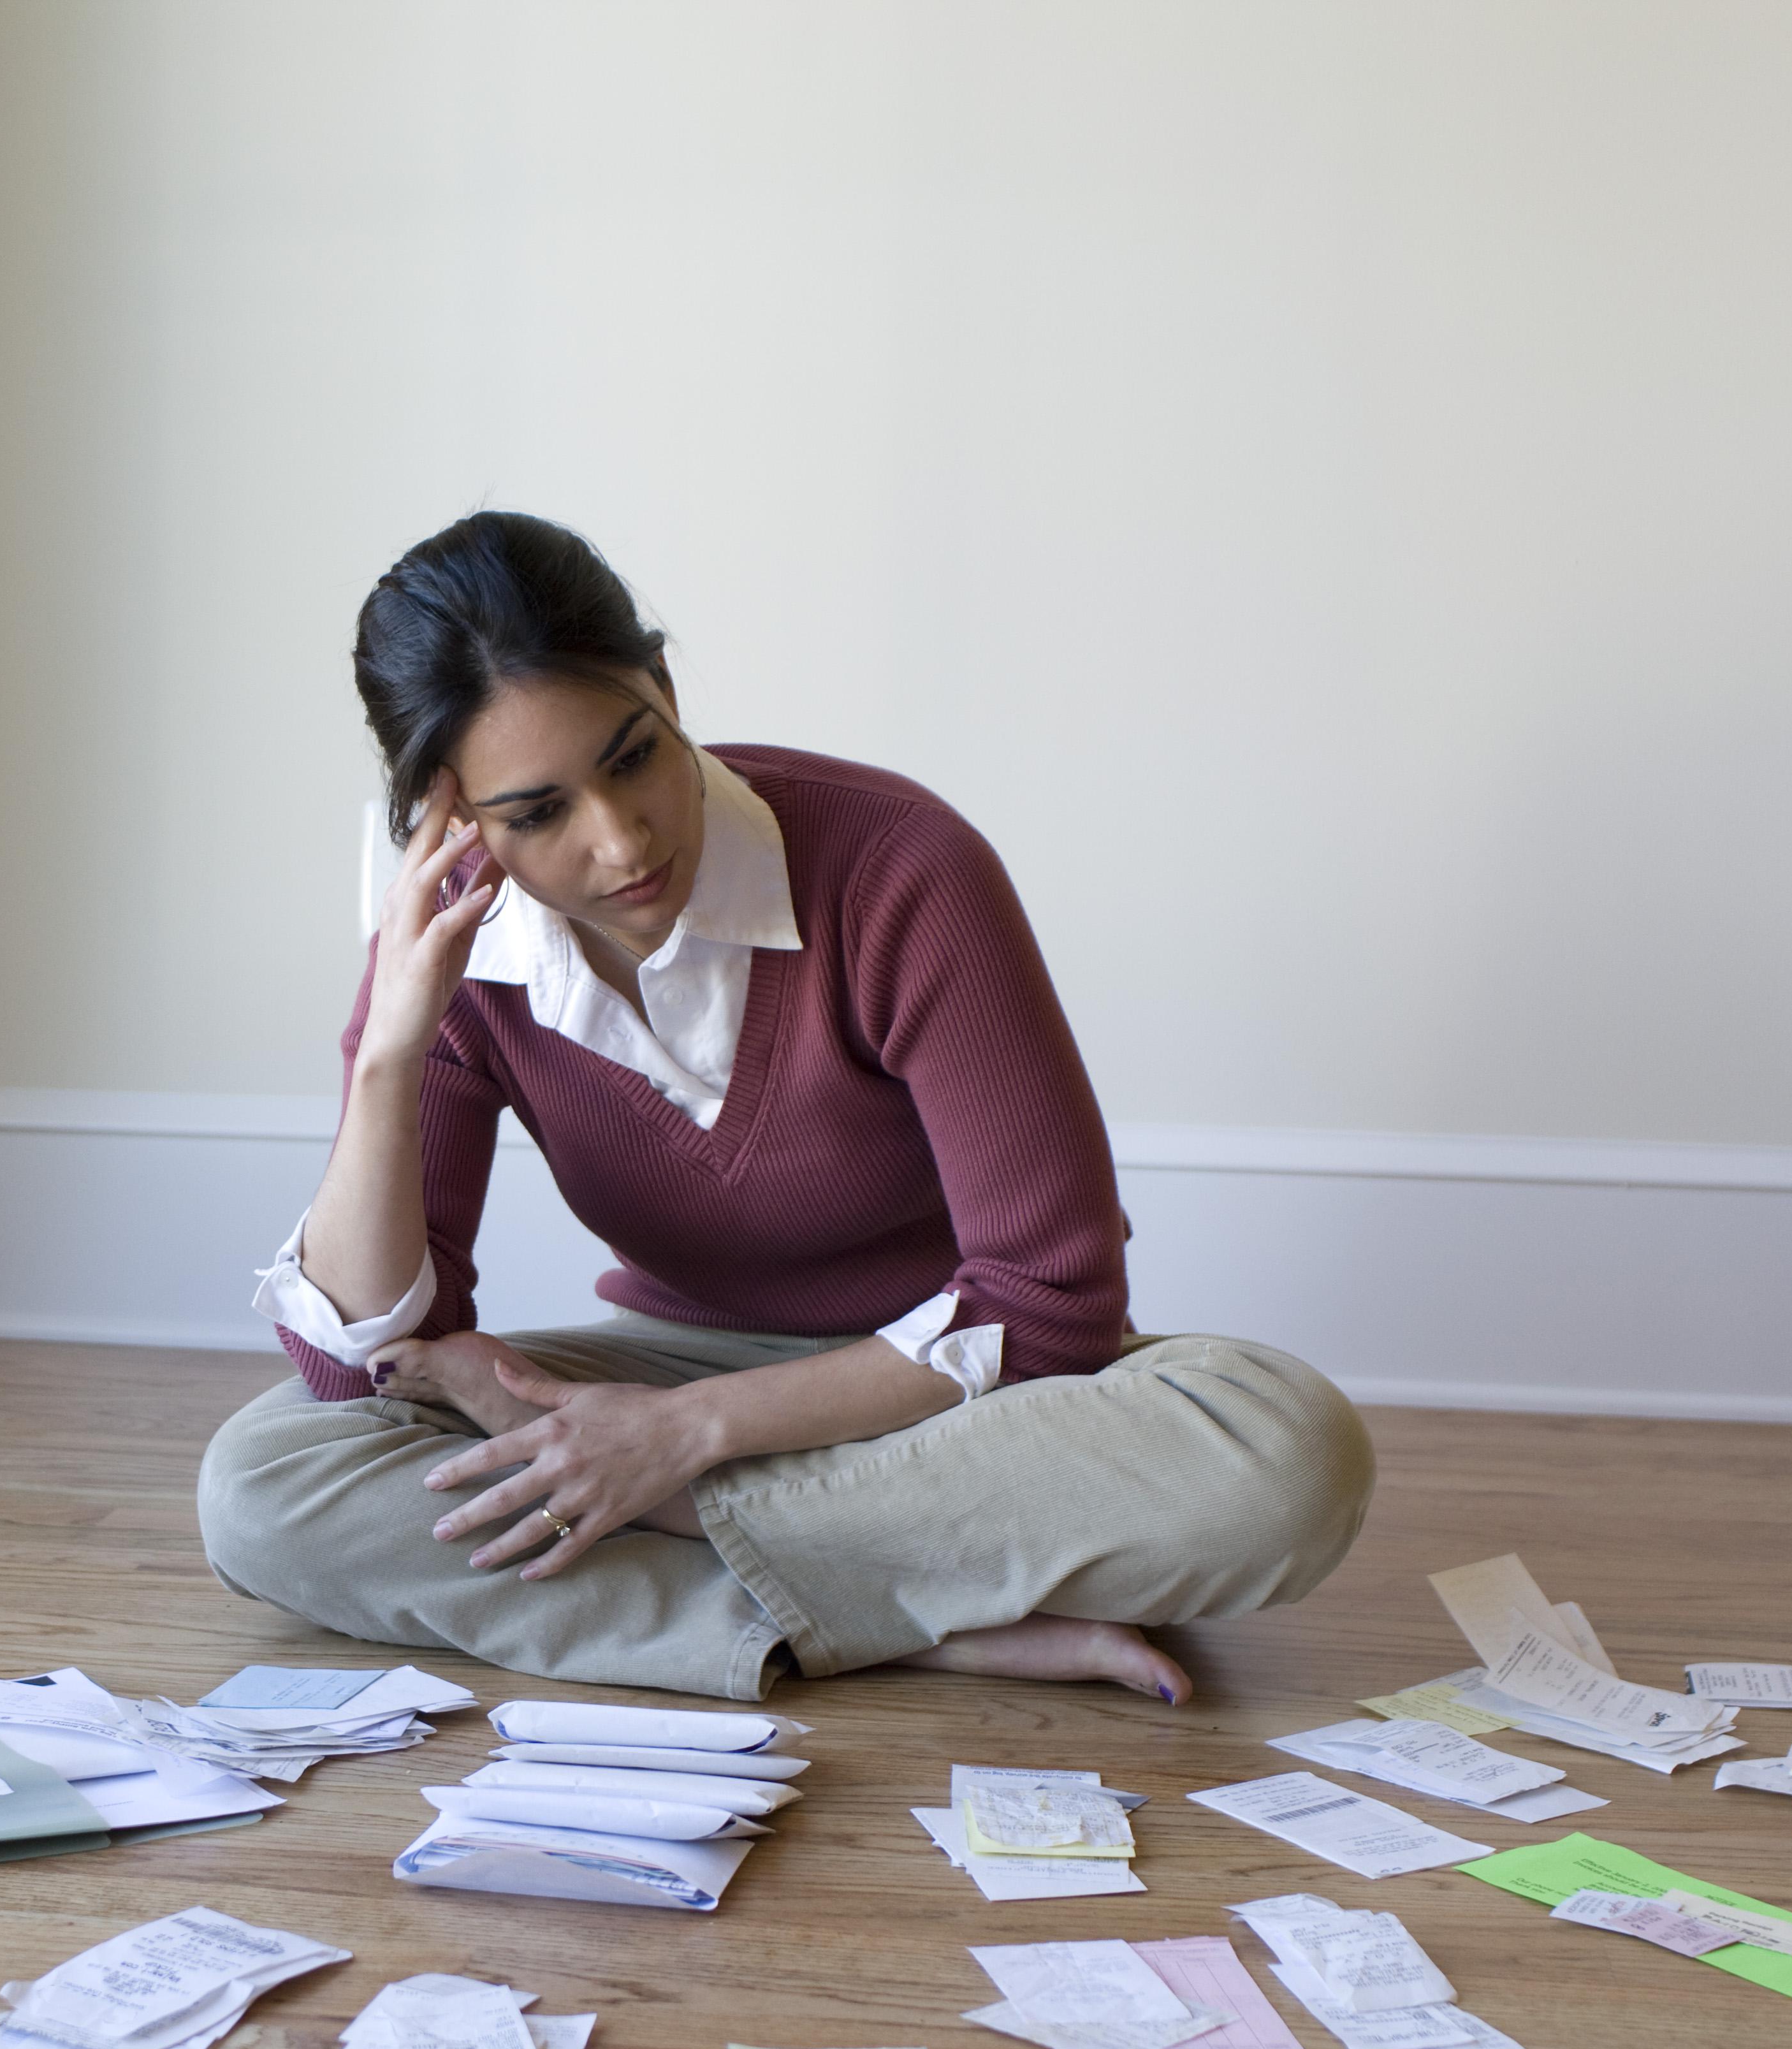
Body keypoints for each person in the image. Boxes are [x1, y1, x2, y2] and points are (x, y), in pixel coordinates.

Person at [196, 512, 1374, 1703]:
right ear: (452, 820)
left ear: (662, 685)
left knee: (1277, 1457)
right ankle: (911, 1619)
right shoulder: (454, 953)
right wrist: (393, 1050)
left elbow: (1052, 1307)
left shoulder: (898, 866)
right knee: (268, 1481)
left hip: (954, 1394)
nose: (620, 840)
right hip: (669, 1366)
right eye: (538, 813)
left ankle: (726, 1560)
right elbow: (365, 1365)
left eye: (633, 754)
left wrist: (684, 1443)